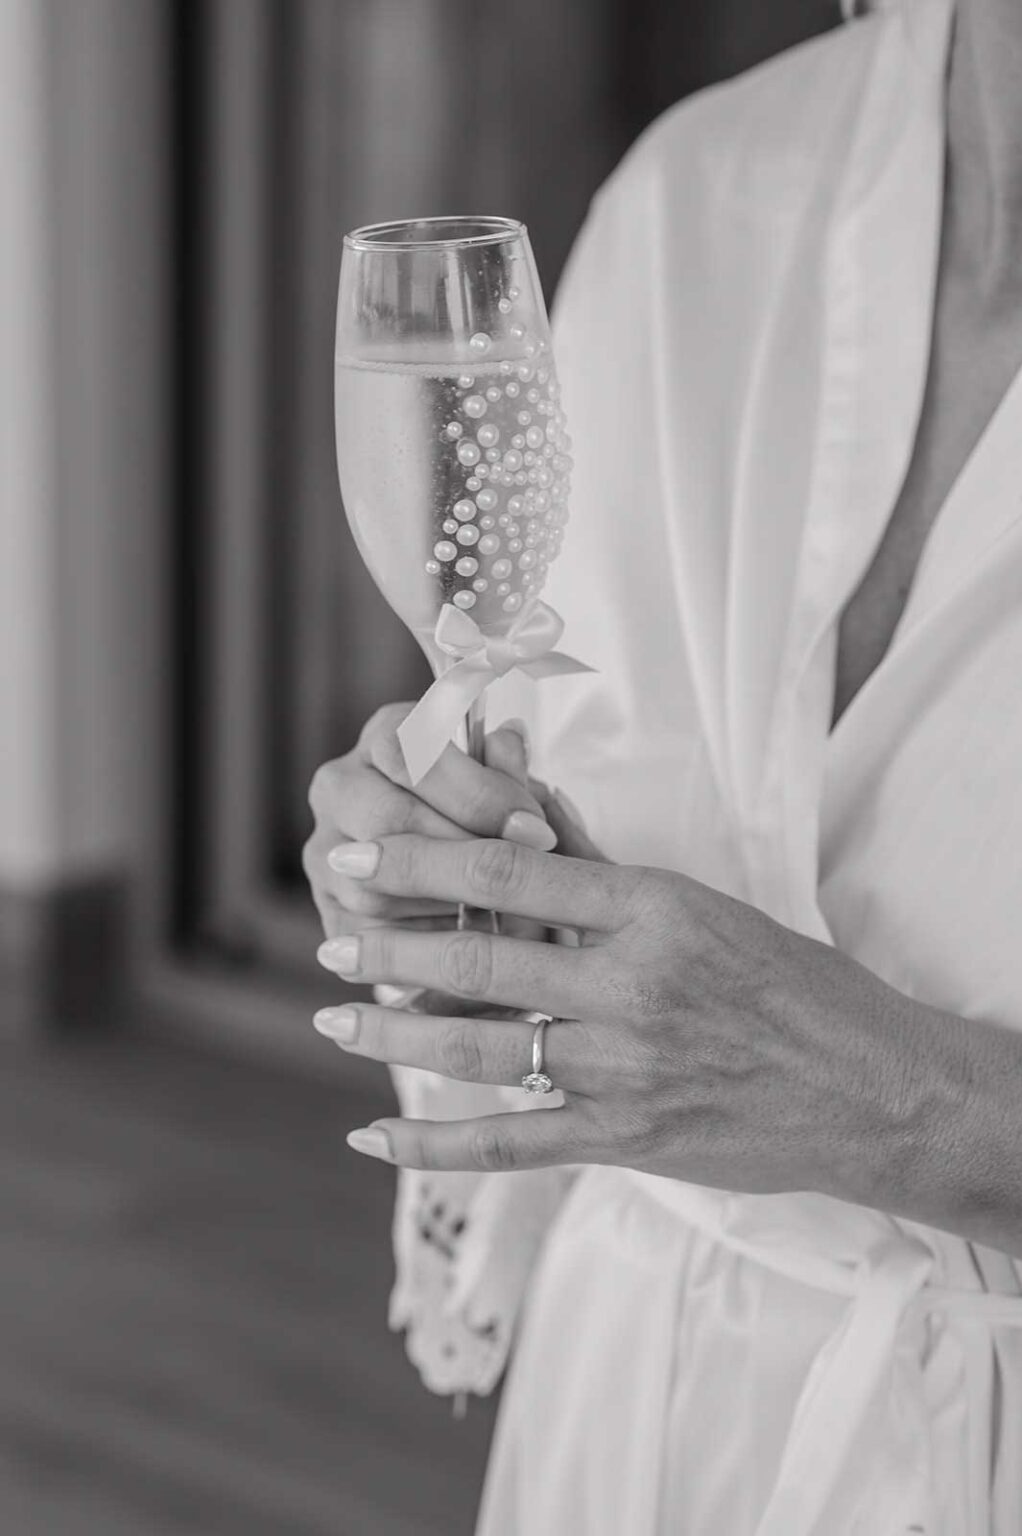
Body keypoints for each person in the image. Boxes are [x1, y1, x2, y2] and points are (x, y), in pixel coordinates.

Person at [304, 0, 1022, 1528]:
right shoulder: (696, 192)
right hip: (634, 1403)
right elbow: (572, 770)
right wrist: (466, 899)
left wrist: (894, 1103)